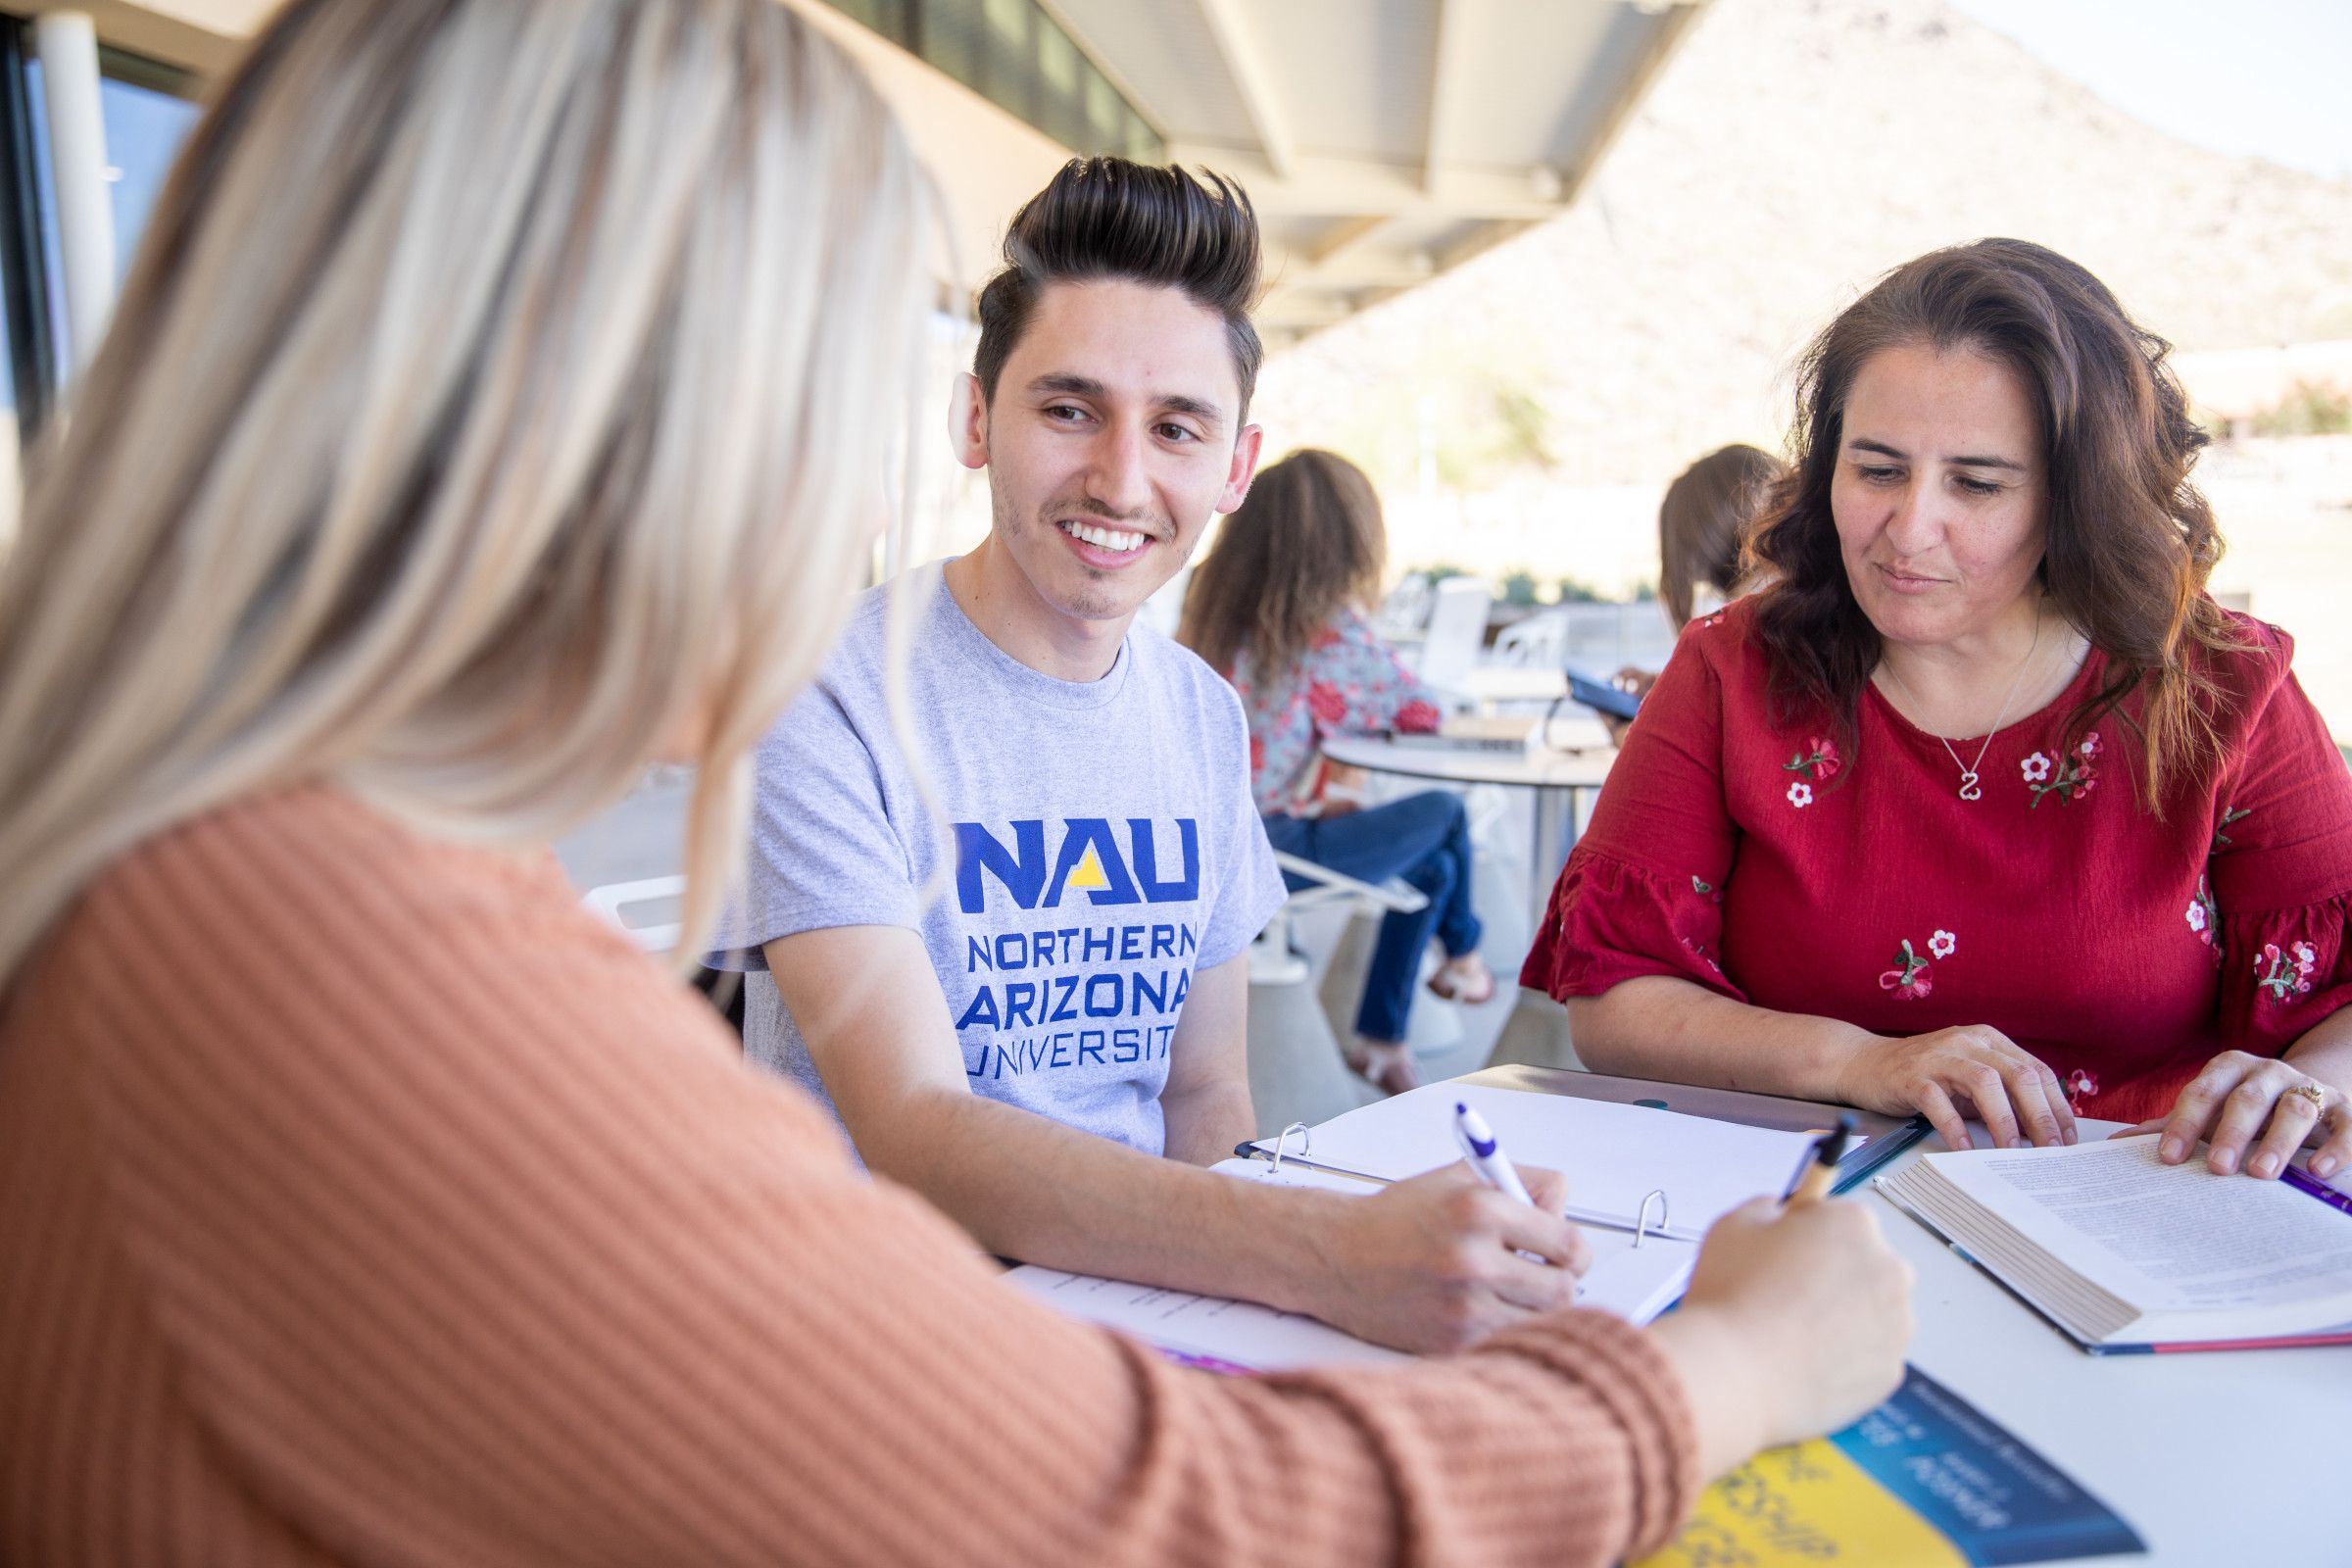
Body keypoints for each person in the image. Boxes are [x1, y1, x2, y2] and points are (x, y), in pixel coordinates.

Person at [0, 3, 1915, 1559]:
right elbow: (1190, 1520)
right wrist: (1730, 1362)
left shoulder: (223, 874)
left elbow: (1197, 1109)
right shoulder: (347, 970)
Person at [716, 159, 1570, 1352]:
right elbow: (912, 1123)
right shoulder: (824, 694)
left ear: (1234, 466)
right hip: (882, 1327)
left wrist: (1237, 1325)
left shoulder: (1199, 715)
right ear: (976, 419)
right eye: (1069, 409)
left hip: (1140, 1305)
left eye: (1176, 427)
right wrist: (1320, 1256)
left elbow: (1203, 1094)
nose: (1121, 478)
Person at [1525, 238, 2352, 1186]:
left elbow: (2342, 1006)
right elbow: (1614, 999)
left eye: (1979, 484)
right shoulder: (1727, 671)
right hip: (1802, 1217)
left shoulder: (2222, 690)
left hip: (2143, 1220)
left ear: (2077, 498)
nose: (1909, 532)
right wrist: (1859, 1061)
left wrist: (2315, 1087)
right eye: (1876, 470)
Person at [1179, 448, 1494, 1095]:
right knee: (1444, 813)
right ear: (1348, 543)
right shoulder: (1328, 633)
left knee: (1432, 868)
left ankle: (1382, 1039)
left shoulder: (1211, 602)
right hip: (1269, 853)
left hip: (1208, 842)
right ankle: (1463, 956)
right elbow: (1421, 710)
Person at [1602, 443, 1788, 742]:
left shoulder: (1737, 635)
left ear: (1694, 558)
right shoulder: (1814, 600)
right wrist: (1677, 690)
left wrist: (1621, 731)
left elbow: (1682, 762)